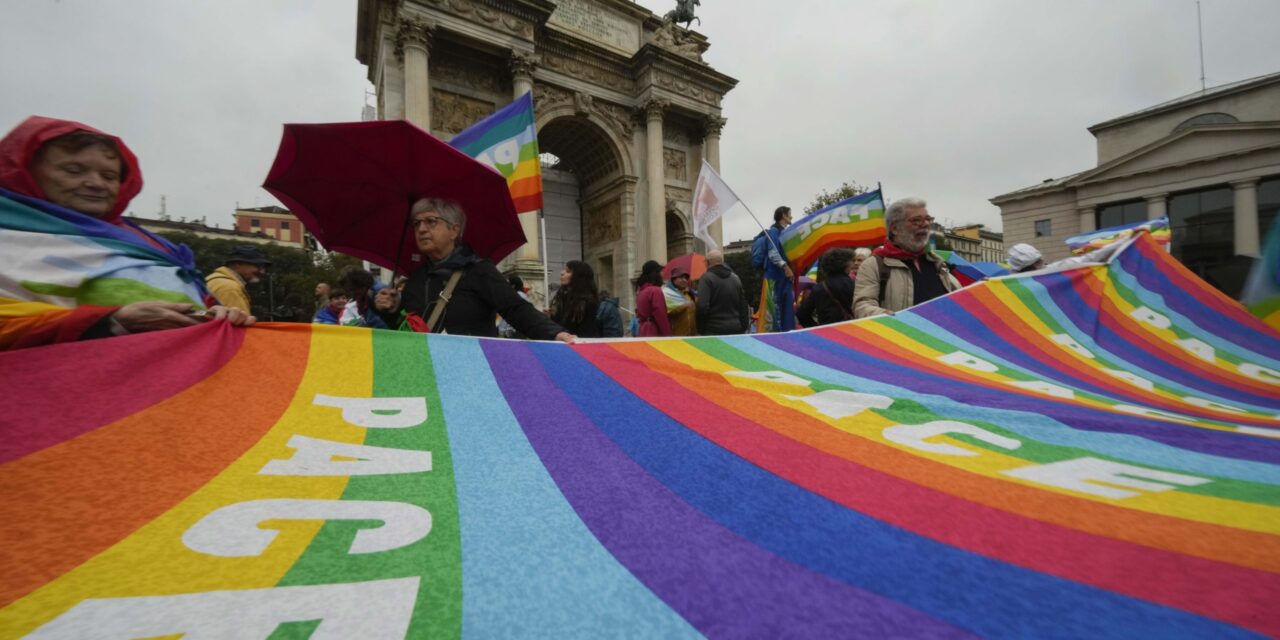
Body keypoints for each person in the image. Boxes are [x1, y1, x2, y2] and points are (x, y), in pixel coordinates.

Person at [0, 116, 251, 349]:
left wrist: (220, 314)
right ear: (24, 171)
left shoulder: (150, 242)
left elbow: (198, 302)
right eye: (74, 170)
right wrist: (110, 321)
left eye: (109, 175)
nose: (96, 183)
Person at [399, 198, 572, 341]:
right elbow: (403, 327)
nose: (421, 229)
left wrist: (554, 333)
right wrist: (390, 310)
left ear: (454, 230)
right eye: (416, 223)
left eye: (430, 221)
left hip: (471, 369)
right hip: (424, 368)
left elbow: (515, 308)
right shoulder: (415, 278)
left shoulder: (479, 270)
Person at [854, 197, 960, 318]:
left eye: (928, 219)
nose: (925, 224)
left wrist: (980, 291)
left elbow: (960, 299)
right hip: (902, 334)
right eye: (916, 220)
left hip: (943, 334)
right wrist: (883, 315)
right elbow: (862, 305)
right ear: (895, 229)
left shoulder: (938, 263)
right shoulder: (874, 265)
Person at [798, 248, 857, 327]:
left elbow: (801, 314)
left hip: (827, 332)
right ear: (846, 264)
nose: (853, 264)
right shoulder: (855, 284)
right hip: (853, 330)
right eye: (852, 261)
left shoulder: (819, 288)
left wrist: (816, 328)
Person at [696, 249, 750, 335]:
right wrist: (743, 326)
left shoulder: (706, 278)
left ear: (707, 262)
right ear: (722, 262)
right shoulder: (735, 278)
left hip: (712, 330)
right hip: (736, 328)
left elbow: (702, 306)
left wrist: (701, 329)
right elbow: (743, 305)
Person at [205, 245, 270, 314]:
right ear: (237, 264)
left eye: (263, 268)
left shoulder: (215, 280)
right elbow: (236, 323)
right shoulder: (229, 287)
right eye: (258, 266)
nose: (262, 272)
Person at [549, 260, 603, 338]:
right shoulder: (561, 297)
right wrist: (550, 316)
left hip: (579, 346)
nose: (562, 273)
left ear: (578, 276)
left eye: (568, 271)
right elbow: (559, 325)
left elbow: (588, 331)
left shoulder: (588, 302)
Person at [764, 205, 797, 331]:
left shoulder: (785, 233)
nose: (791, 216)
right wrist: (785, 267)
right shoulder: (773, 232)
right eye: (789, 214)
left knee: (787, 311)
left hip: (784, 277)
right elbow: (773, 253)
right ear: (783, 215)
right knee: (775, 312)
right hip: (775, 277)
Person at [634, 260, 671, 337]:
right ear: (655, 273)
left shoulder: (641, 291)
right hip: (654, 331)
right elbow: (660, 315)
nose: (662, 274)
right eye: (660, 271)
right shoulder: (655, 291)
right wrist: (668, 335)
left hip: (643, 330)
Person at [663, 266, 697, 336]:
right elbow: (667, 311)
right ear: (673, 279)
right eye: (681, 277)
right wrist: (684, 305)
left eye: (686, 278)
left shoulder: (690, 293)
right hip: (677, 333)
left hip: (692, 334)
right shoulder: (666, 293)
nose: (684, 280)